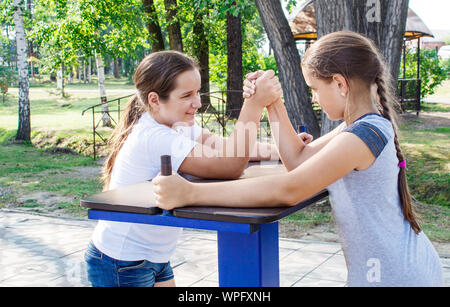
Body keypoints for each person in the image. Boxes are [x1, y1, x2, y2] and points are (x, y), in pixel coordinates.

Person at [153, 32, 443, 287]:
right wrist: (273, 102)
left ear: (340, 84)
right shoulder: (360, 126)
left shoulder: (364, 135)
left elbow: (290, 189)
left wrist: (190, 193)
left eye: (315, 89)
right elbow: (298, 160)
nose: (314, 98)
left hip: (395, 276)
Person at [85, 50, 297, 287]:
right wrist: (254, 104)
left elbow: (222, 146)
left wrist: (287, 149)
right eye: (187, 95)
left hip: (153, 256)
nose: (197, 103)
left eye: (197, 92)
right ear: (155, 100)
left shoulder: (176, 123)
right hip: (121, 261)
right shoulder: (155, 136)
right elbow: (230, 166)